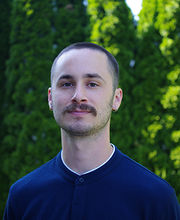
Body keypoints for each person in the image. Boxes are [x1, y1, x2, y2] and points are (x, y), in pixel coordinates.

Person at [4, 42, 180, 220]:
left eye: (93, 84)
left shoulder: (156, 199)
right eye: (66, 84)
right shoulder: (23, 196)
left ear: (116, 98)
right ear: (50, 98)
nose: (78, 95)